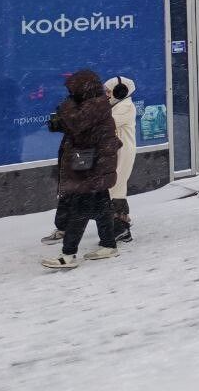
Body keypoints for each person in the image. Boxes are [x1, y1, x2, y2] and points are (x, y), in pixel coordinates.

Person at [41, 69, 121, 270]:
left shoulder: (95, 105)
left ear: (83, 89)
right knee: (102, 206)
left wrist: (66, 106)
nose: (70, 94)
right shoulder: (93, 104)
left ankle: (68, 255)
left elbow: (77, 123)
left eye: (72, 90)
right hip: (94, 163)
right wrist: (61, 122)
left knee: (79, 210)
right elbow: (80, 128)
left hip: (93, 166)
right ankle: (109, 245)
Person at [103, 76, 137, 243]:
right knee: (117, 187)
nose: (106, 95)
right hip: (116, 151)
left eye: (109, 91)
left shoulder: (125, 106)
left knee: (116, 187)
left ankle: (121, 227)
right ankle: (121, 224)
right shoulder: (116, 105)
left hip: (123, 152)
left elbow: (107, 124)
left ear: (119, 92)